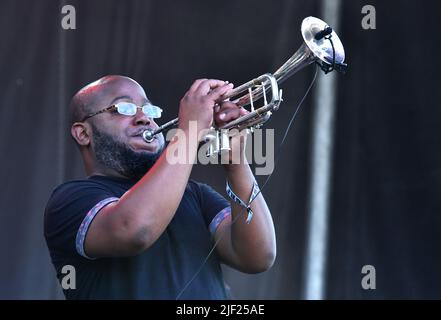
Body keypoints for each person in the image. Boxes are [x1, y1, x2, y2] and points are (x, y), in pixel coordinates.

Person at [44, 75, 276, 299]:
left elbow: (257, 256)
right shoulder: (70, 200)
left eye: (149, 110)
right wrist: (190, 131)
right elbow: (135, 230)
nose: (144, 118)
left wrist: (236, 162)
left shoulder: (195, 194)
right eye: (124, 109)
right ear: (83, 133)